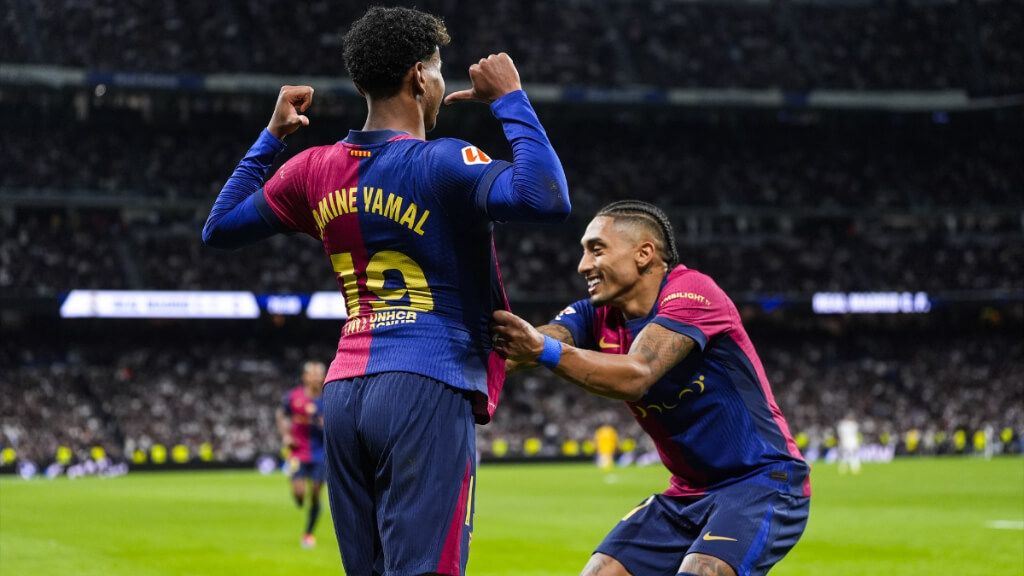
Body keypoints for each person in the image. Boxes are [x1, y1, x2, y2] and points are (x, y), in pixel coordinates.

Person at [201, 6, 570, 575]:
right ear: (420, 76)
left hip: (344, 393)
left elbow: (220, 227)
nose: (443, 83)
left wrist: (271, 136)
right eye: (439, 69)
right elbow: (547, 197)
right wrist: (511, 100)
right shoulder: (443, 161)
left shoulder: (312, 169)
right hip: (427, 380)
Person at [492, 201, 809, 576]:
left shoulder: (692, 292)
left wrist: (540, 349)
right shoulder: (597, 314)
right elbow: (536, 342)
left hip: (762, 482)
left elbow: (636, 374)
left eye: (596, 249)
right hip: (687, 493)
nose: (583, 265)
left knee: (703, 570)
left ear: (644, 253)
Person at [276, 361, 327, 548]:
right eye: (312, 374)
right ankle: (298, 498)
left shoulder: (328, 398)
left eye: (318, 374)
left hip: (320, 453)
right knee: (299, 493)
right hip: (297, 452)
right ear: (305, 377)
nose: (315, 378)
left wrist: (326, 425)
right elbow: (281, 414)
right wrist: (286, 435)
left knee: (315, 493)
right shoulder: (293, 396)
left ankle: (308, 533)